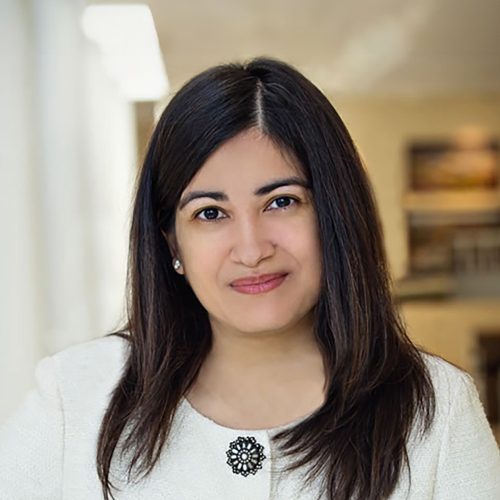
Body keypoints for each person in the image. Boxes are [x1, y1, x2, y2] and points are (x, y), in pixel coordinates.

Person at [0, 57, 499, 500]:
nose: (253, 248)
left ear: (334, 215)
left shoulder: (436, 409)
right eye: (210, 213)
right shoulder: (75, 397)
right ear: (172, 243)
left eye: (282, 202)